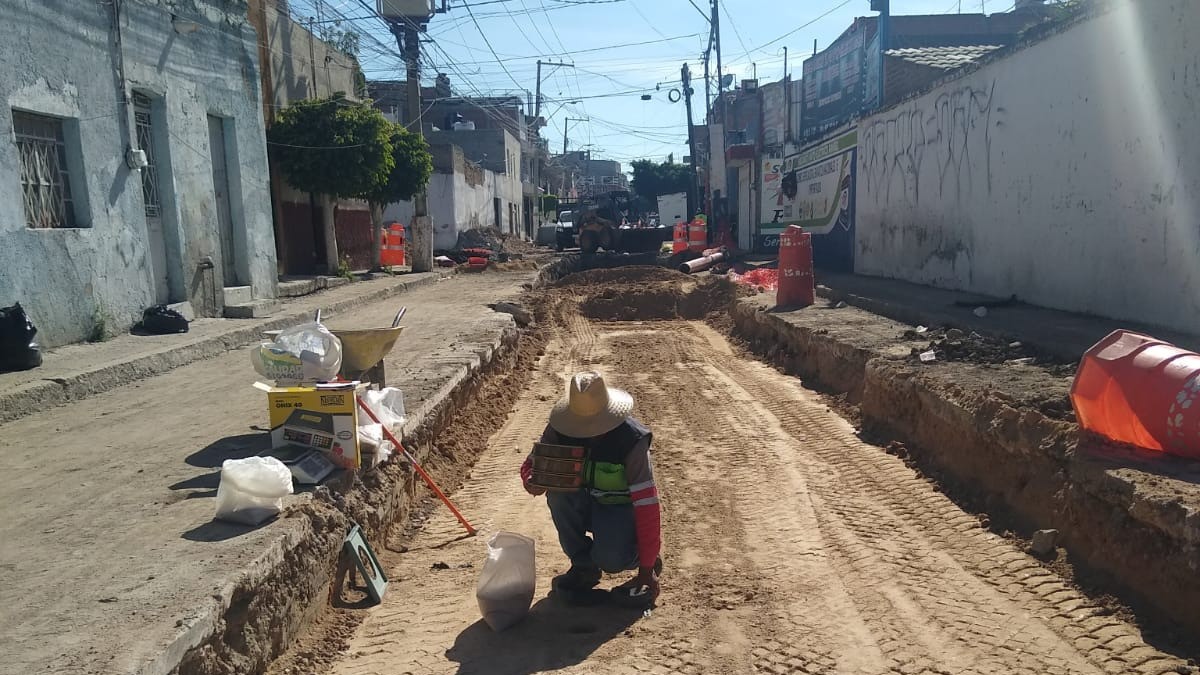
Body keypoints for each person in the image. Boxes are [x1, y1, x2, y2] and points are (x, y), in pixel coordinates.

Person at [520, 371, 662, 608]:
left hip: (617, 508)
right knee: (558, 496)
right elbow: (530, 465)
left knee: (611, 560)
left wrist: (646, 568)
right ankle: (584, 567)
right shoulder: (559, 429)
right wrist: (531, 480)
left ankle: (637, 556)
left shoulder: (632, 441)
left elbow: (647, 506)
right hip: (582, 502)